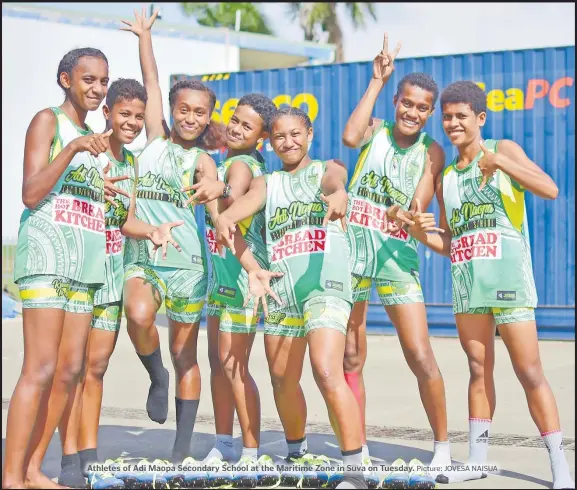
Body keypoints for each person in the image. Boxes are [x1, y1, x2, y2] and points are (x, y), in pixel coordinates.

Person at [406, 80, 575, 489]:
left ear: (480, 119)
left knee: (529, 370)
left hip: (509, 282)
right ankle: (477, 459)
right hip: (468, 286)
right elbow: (450, 240)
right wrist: (414, 230)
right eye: (447, 116)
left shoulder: (503, 149)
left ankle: (559, 464)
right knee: (478, 369)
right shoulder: (446, 178)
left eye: (461, 116)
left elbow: (549, 188)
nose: (452, 123)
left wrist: (499, 163)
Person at [215, 107, 367, 489]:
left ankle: (355, 471)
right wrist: (251, 265)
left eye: (296, 134)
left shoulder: (323, 170)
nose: (289, 142)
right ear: (270, 142)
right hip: (282, 290)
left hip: (325, 286)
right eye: (280, 137)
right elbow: (227, 221)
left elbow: (336, 179)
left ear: (310, 134)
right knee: (282, 379)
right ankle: (296, 452)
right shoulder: (268, 183)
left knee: (327, 370)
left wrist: (340, 193)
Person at [52, 78, 185, 487]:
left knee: (95, 368)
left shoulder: (131, 163)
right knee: (68, 369)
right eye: (124, 113)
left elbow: (124, 220)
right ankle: (68, 458)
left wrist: (152, 231)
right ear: (107, 112)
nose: (131, 122)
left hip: (110, 273)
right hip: (76, 270)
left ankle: (89, 456)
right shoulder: (85, 149)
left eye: (138, 117)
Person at [341, 33, 450, 482]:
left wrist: (404, 215)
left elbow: (419, 206)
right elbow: (349, 137)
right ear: (398, 101)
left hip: (396, 260)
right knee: (351, 355)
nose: (411, 112)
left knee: (419, 353)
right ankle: (357, 446)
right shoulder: (375, 131)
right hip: (351, 255)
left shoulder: (432, 151)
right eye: (406, 102)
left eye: (422, 107)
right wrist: (376, 82)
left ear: (430, 113)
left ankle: (442, 447)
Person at [2, 47, 112, 489]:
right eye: (89, 80)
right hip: (46, 260)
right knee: (41, 368)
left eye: (103, 81)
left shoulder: (95, 142)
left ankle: (32, 468)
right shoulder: (49, 122)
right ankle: (11, 477)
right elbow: (31, 193)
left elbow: (76, 199)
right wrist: (71, 148)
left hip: (85, 266)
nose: (97, 89)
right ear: (66, 79)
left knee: (69, 372)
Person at [120, 8, 226, 463]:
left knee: (189, 356)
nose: (189, 117)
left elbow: (219, 206)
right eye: (183, 108)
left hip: (188, 268)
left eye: (199, 112)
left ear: (207, 119)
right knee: (138, 314)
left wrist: (216, 188)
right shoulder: (155, 139)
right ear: (172, 109)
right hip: (145, 253)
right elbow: (152, 76)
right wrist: (145, 36)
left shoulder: (204, 162)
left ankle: (181, 450)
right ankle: (155, 374)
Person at [200, 94, 278, 470]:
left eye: (247, 126)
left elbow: (236, 194)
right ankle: (223, 444)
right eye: (235, 119)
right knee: (219, 363)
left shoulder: (243, 164)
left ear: (260, 138)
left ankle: (250, 450)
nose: (235, 127)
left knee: (234, 366)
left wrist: (221, 190)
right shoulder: (228, 160)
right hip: (222, 276)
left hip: (246, 275)